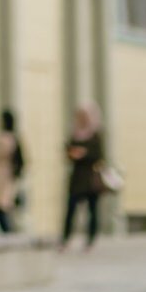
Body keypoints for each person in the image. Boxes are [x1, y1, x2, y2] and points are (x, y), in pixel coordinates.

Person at [60, 101, 105, 250]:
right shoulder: (75, 134)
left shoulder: (95, 134)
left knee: (92, 210)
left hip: (90, 178)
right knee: (71, 208)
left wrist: (84, 154)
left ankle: (91, 239)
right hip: (77, 178)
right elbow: (67, 152)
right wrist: (72, 154)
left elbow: (99, 155)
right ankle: (66, 238)